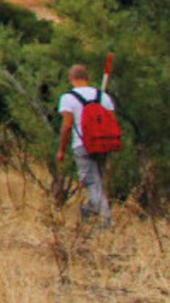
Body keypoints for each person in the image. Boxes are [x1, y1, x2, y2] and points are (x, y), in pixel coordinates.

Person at [57, 64, 115, 227]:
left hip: (81, 145)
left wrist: (61, 150)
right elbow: (112, 120)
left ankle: (106, 222)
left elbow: (67, 126)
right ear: (87, 77)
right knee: (98, 182)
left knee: (92, 183)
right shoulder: (102, 96)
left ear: (71, 79)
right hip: (104, 144)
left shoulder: (68, 98)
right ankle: (88, 213)